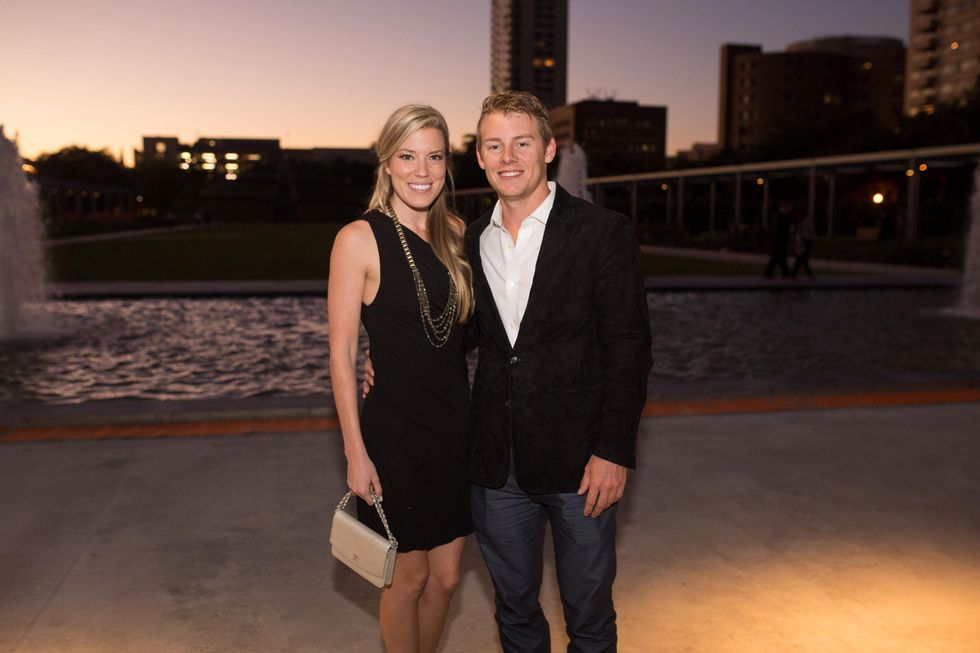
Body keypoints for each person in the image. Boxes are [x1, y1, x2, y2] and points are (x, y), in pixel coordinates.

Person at [369, 91, 651, 651]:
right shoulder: (467, 239)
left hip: (581, 466)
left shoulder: (602, 231)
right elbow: (457, 331)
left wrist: (614, 449)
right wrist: (384, 358)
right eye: (494, 145)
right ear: (478, 157)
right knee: (515, 612)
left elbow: (629, 347)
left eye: (522, 142)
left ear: (548, 148)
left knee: (589, 616)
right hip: (496, 468)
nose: (508, 157)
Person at [327, 104, 474, 653]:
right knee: (406, 578)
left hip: (455, 429)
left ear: (447, 164)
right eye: (408, 156)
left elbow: (466, 331)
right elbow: (341, 353)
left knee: (449, 579)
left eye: (434, 156)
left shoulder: (458, 233)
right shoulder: (358, 238)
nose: (422, 169)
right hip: (396, 436)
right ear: (386, 162)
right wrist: (354, 451)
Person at [763, 200, 793, 278]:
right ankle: (781, 272)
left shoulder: (783, 216)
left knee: (779, 257)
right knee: (777, 257)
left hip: (780, 240)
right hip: (779, 240)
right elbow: (780, 229)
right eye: (789, 206)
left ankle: (783, 272)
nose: (790, 208)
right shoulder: (780, 216)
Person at [791, 215, 816, 280]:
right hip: (801, 246)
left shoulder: (807, 227)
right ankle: (809, 275)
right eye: (807, 219)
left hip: (804, 246)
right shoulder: (802, 227)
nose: (809, 221)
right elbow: (800, 237)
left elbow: (810, 236)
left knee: (803, 261)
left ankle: (794, 275)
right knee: (801, 261)